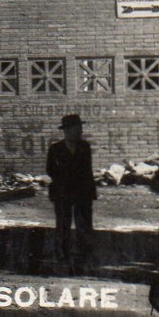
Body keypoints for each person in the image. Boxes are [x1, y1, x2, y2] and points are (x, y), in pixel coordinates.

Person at [46, 112, 96, 271]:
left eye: (80, 128)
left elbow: (87, 170)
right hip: (63, 192)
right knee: (63, 224)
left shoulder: (84, 147)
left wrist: (89, 191)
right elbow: (50, 170)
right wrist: (63, 181)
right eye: (77, 128)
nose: (80, 131)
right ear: (67, 131)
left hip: (82, 192)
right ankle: (62, 255)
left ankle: (84, 255)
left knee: (84, 225)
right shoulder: (56, 149)